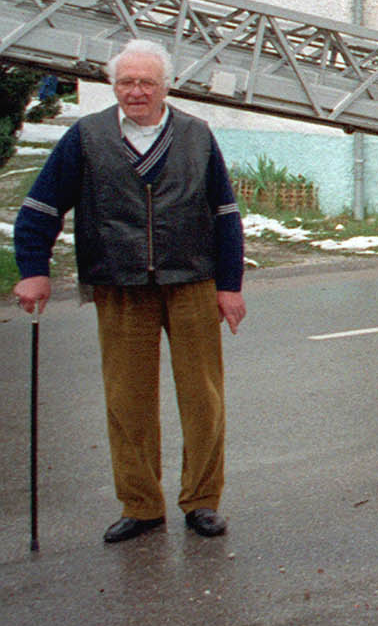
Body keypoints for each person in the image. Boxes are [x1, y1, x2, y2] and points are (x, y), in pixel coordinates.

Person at [10, 39, 246, 543]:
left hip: (192, 280)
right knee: (127, 400)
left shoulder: (196, 135)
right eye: (126, 82)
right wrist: (33, 269)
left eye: (146, 83)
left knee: (203, 398)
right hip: (118, 282)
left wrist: (229, 286)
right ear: (113, 86)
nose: (136, 92)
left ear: (165, 87)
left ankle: (201, 501)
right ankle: (141, 505)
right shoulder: (87, 136)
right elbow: (40, 208)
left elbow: (225, 214)